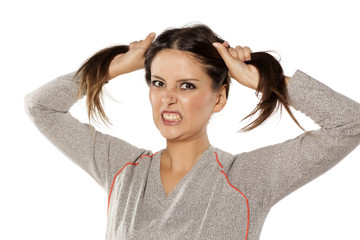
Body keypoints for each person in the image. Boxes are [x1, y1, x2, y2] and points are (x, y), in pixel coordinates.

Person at [24, 24, 360, 240]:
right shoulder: (122, 170)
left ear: (220, 97)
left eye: (186, 85)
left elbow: (351, 123)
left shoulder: (249, 179)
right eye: (158, 83)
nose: (168, 98)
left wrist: (262, 80)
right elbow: (39, 107)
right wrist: (113, 67)